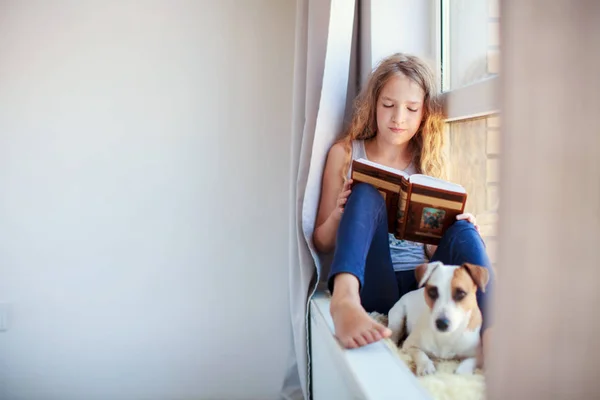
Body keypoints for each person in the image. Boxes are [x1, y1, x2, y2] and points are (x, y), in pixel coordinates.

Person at [312, 53, 494, 361]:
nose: (399, 118)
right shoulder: (344, 153)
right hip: (374, 281)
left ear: (424, 113)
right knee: (366, 190)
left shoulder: (430, 160)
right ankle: (344, 300)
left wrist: (452, 229)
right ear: (374, 104)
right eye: (388, 105)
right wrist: (341, 213)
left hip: (423, 288)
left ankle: (493, 332)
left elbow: (435, 258)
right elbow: (321, 240)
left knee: (465, 227)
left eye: (411, 109)